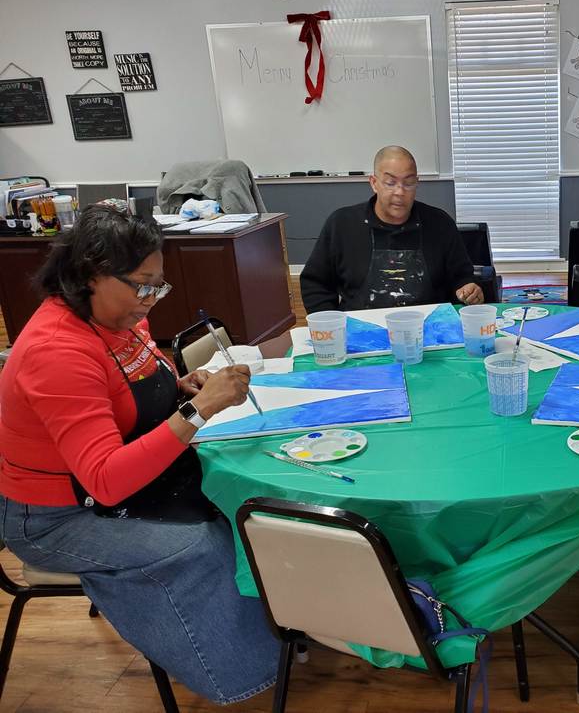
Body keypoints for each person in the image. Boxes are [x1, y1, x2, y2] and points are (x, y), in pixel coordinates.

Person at [0, 200, 278, 704]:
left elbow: (133, 388)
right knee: (200, 544)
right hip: (52, 517)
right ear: (90, 274)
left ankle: (277, 627)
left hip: (106, 487)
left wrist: (182, 388)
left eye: (158, 284)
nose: (151, 298)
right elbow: (106, 479)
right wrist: (198, 413)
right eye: (141, 284)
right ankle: (247, 672)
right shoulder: (56, 350)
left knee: (242, 497)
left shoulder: (120, 315)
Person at [300, 146, 484, 311]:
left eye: (408, 183)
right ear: (374, 183)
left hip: (429, 332)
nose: (400, 192)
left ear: (417, 183)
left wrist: (468, 289)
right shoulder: (342, 224)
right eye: (390, 183)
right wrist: (330, 324)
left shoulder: (440, 223)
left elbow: (462, 277)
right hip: (360, 333)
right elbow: (315, 284)